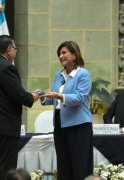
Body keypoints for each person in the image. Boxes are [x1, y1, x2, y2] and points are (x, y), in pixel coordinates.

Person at [0, 35, 39, 180]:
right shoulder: (7, 68)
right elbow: (19, 96)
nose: (16, 52)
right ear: (9, 50)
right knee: (6, 170)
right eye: (15, 48)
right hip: (4, 127)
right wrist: (33, 96)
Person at [40, 41, 93, 180]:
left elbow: (79, 98)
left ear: (74, 55)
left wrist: (58, 95)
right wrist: (43, 96)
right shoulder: (59, 75)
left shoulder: (83, 74)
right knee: (64, 165)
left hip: (78, 125)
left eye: (64, 53)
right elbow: (55, 99)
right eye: (59, 54)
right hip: (60, 123)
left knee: (80, 165)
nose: (61, 56)